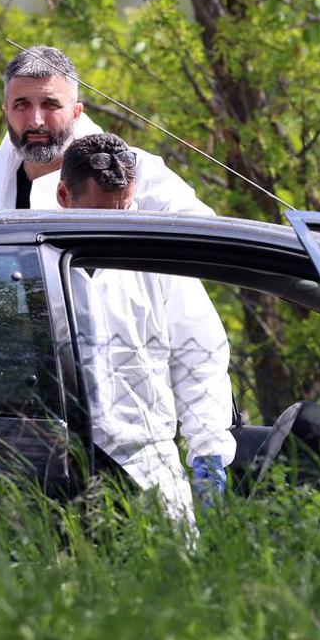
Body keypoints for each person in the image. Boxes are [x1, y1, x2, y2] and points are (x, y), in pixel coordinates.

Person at [56, 133, 235, 522]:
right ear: (64, 198)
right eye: (101, 215)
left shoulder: (157, 265)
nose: (115, 228)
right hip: (56, 469)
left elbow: (199, 357)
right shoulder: (37, 269)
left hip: (149, 467)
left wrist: (209, 455)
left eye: (125, 211)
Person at [0, 45, 212, 215]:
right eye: (22, 105)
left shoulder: (130, 169)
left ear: (76, 112)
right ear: (6, 111)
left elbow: (201, 231)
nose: (36, 121)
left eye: (50, 104)